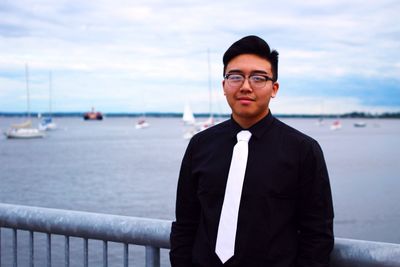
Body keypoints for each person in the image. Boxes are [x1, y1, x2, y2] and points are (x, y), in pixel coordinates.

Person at [170, 35, 334, 267]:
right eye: (235, 77)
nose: (246, 86)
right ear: (224, 86)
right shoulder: (199, 145)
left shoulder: (303, 150)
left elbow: (317, 235)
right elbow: (185, 224)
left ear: (274, 88)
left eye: (258, 78)